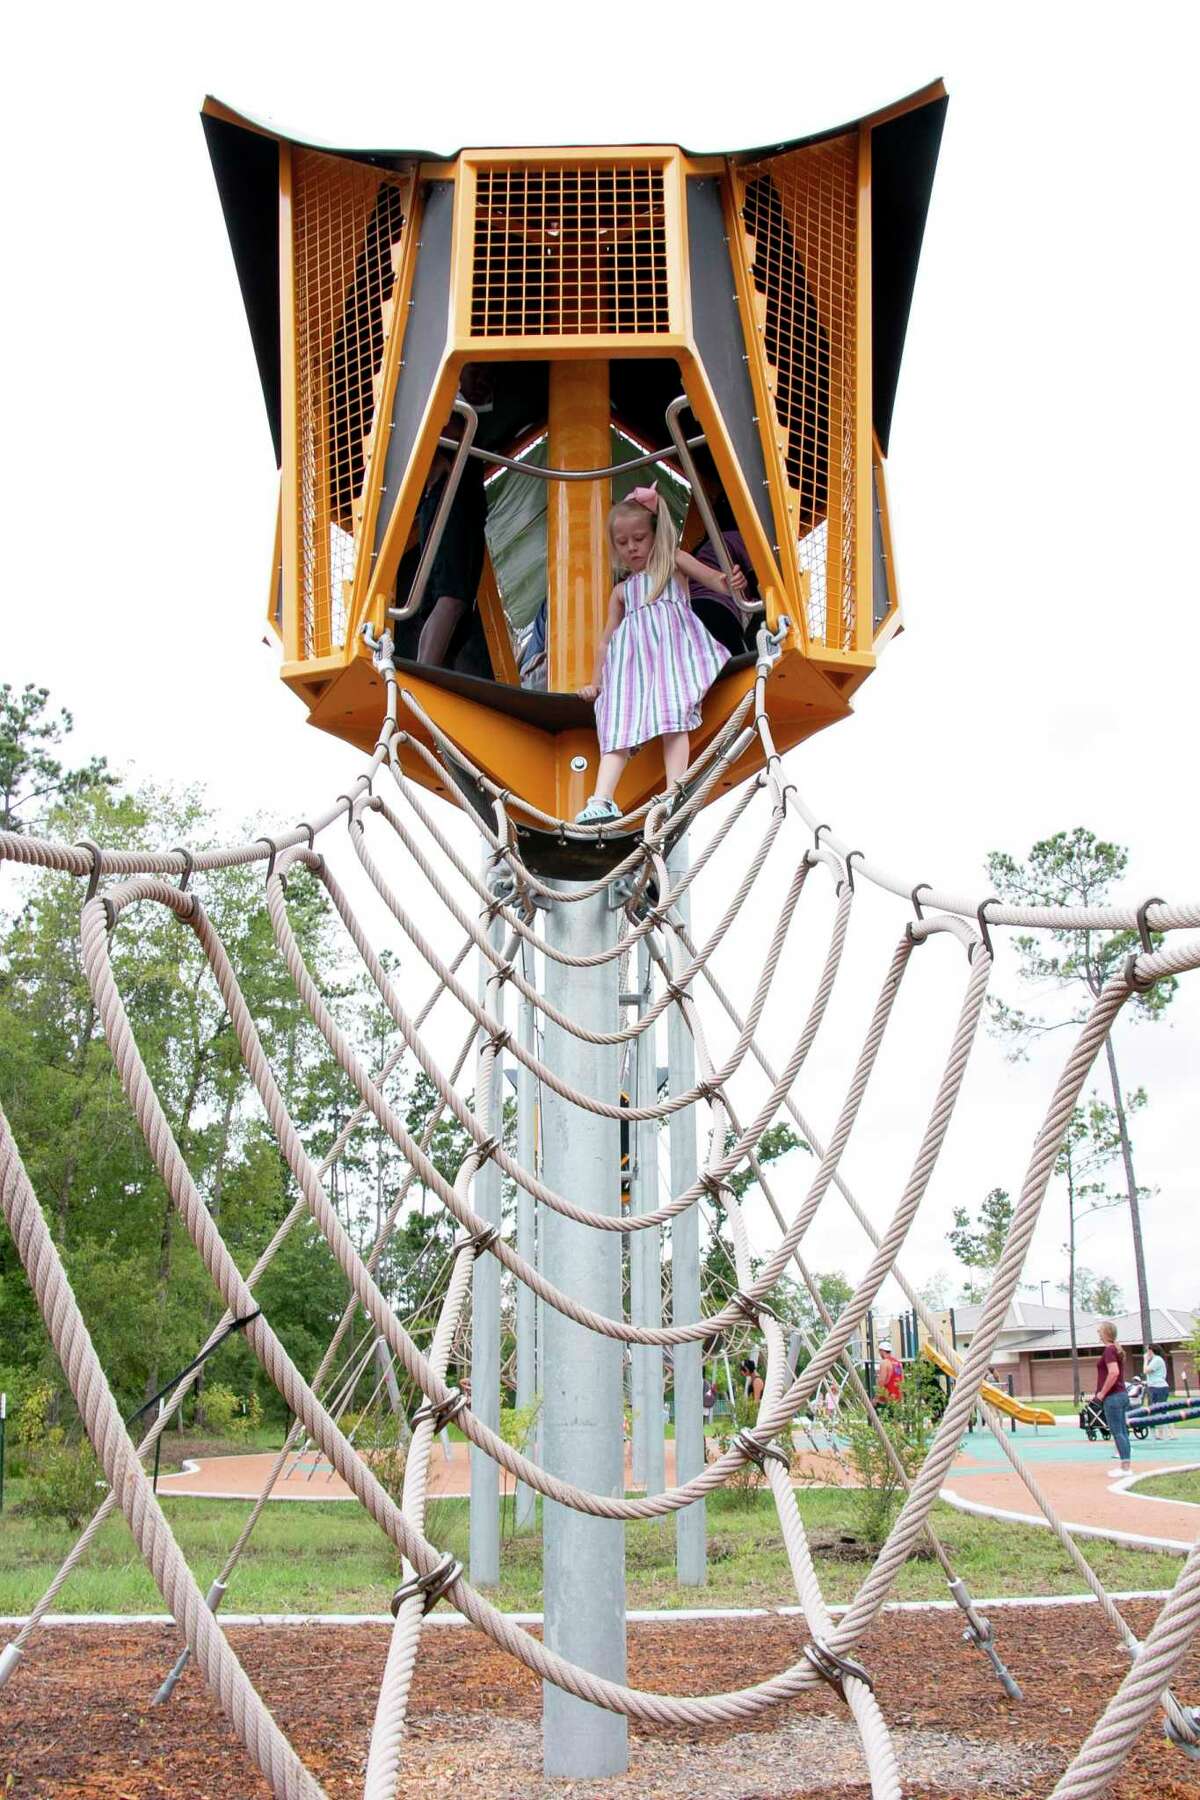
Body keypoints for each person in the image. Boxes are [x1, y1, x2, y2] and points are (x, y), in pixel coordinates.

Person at [575, 483, 746, 824]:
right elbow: (607, 640)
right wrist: (596, 683)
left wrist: (732, 582)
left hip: (670, 658)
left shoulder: (672, 563)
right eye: (622, 543)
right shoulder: (622, 591)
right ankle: (602, 799)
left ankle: (674, 790)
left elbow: (713, 580)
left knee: (674, 715)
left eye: (638, 538)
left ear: (654, 534)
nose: (632, 548)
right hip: (634, 668)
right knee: (616, 722)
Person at [392, 366, 493, 679]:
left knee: (457, 601)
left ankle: (436, 670)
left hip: (461, 501)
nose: (481, 383)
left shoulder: (464, 412)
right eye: (475, 374)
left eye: (485, 377)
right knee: (451, 596)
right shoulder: (446, 404)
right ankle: (427, 674)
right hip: (451, 500)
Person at [1094, 1319, 1132, 1474]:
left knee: (1117, 1431)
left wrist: (1102, 1393)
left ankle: (1125, 1467)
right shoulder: (1114, 1349)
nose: (1098, 1332)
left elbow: (1114, 1372)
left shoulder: (1109, 1350)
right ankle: (1126, 1464)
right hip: (1122, 1395)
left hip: (1113, 1397)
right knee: (1122, 1430)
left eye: (1099, 1330)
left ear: (1105, 1333)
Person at [1144, 1344, 1175, 1441]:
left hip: (1159, 1387)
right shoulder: (1155, 1360)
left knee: (1162, 1410)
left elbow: (1146, 1371)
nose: (1146, 1353)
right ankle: (1162, 1434)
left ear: (1151, 1351)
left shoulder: (1157, 1359)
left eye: (1148, 1350)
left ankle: (1170, 1434)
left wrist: (1145, 1360)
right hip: (1154, 1387)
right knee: (1158, 1410)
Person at [876, 1341, 903, 1406]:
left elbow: (881, 1382)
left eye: (879, 1351)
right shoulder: (899, 1364)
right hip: (897, 1400)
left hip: (887, 1399)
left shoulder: (885, 1363)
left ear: (882, 1351)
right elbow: (902, 1382)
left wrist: (877, 1398)